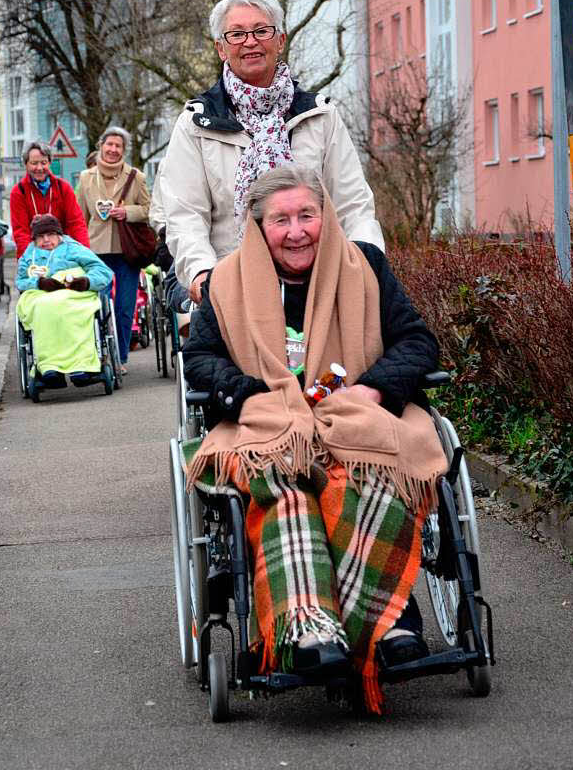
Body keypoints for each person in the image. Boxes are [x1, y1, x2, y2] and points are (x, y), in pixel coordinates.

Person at [181, 166, 447, 713]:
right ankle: (308, 629)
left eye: (307, 215)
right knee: (285, 486)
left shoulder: (365, 267)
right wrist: (250, 394)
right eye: (281, 219)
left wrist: (374, 389)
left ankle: (388, 624)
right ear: (259, 226)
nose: (297, 230)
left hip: (353, 417)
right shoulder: (227, 281)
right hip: (270, 427)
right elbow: (200, 360)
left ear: (325, 217)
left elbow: (418, 343)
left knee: (366, 468)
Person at [161, 0, 384, 304]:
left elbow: (352, 203)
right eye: (236, 34)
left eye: (261, 30)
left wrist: (366, 261)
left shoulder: (320, 115)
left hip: (319, 288)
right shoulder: (196, 124)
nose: (250, 41)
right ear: (221, 48)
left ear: (280, 40)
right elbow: (185, 214)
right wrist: (202, 274)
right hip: (230, 289)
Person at [77, 126, 151, 373]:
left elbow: (149, 210)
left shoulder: (135, 177)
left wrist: (127, 212)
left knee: (124, 306)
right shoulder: (86, 178)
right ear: (101, 146)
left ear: (124, 150)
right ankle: (99, 355)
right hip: (96, 251)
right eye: (109, 144)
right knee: (97, 304)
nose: (113, 149)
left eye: (118, 146)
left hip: (126, 251)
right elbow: (80, 218)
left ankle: (119, 359)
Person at [16, 214, 113, 387]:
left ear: (59, 235)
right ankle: (49, 366)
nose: (46, 240)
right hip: (42, 295)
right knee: (43, 308)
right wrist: (39, 282)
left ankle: (82, 365)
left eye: (50, 234)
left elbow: (102, 271)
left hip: (73, 292)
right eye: (40, 236)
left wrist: (85, 281)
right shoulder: (29, 255)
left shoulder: (73, 248)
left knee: (73, 310)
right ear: (34, 239)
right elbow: (21, 281)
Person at [10, 140, 90, 258]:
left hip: (65, 254)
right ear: (26, 164)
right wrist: (30, 259)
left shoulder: (63, 188)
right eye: (34, 163)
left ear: (50, 163)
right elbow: (21, 232)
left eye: (44, 162)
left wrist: (85, 253)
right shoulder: (19, 192)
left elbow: (76, 224)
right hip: (34, 255)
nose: (39, 168)